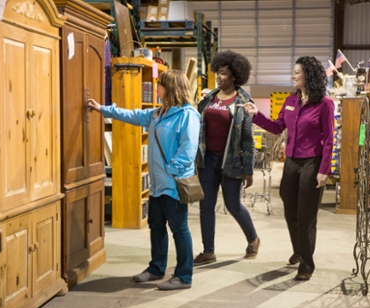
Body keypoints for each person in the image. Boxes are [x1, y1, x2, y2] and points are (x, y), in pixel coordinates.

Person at [87, 69, 200, 290]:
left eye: (160, 85)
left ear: (171, 88)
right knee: (156, 226)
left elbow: (188, 149)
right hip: (157, 185)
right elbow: (134, 116)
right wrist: (103, 109)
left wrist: (171, 169)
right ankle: (156, 268)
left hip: (174, 184)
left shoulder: (188, 115)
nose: (156, 88)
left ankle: (184, 276)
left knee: (179, 229)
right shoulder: (159, 113)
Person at [241, 56, 334, 281]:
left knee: (306, 214)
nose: (292, 76)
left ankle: (306, 263)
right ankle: (299, 250)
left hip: (313, 162)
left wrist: (324, 170)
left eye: (297, 72)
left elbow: (329, 139)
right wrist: (256, 115)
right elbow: (276, 126)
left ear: (308, 76)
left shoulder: (324, 103)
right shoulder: (291, 100)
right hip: (291, 162)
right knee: (290, 208)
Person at [193, 50, 260, 266]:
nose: (218, 77)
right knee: (206, 206)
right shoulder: (209, 98)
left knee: (233, 205)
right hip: (208, 161)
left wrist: (248, 169)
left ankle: (253, 238)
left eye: (223, 73)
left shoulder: (242, 101)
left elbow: (248, 138)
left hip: (231, 161)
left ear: (234, 75)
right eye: (217, 73)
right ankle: (208, 251)